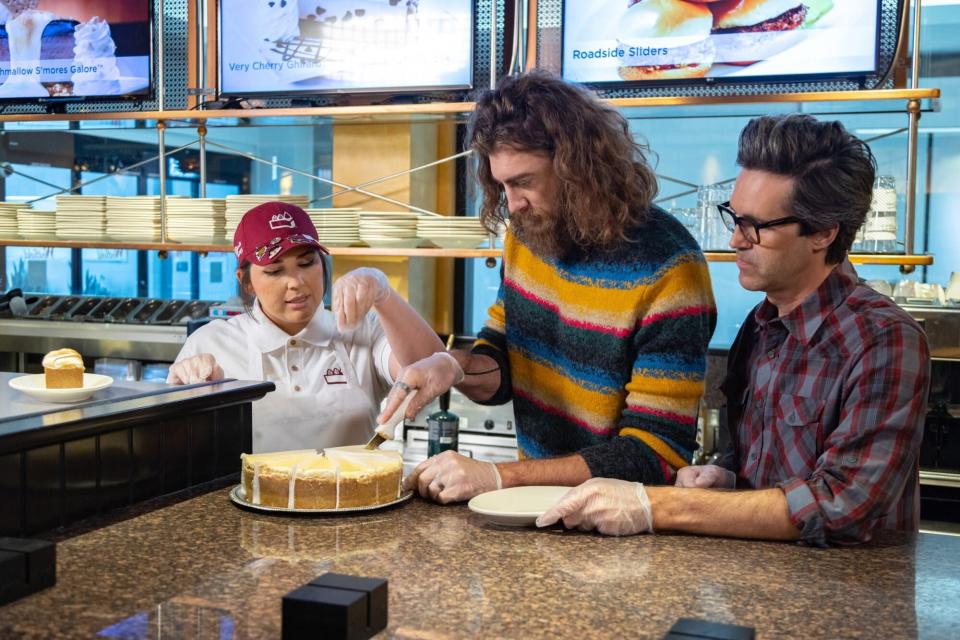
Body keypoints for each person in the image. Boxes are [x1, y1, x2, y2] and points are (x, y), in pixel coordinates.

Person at [537, 114, 931, 546]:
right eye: (734, 217)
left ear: (822, 233)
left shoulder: (885, 340)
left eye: (756, 227)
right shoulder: (761, 325)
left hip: (849, 601)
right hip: (760, 584)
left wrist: (656, 505)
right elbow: (756, 468)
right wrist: (724, 479)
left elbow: (841, 505)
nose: (736, 241)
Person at [385, 70, 717, 502]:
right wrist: (454, 367)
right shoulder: (527, 236)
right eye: (502, 185)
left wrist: (501, 477)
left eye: (523, 181)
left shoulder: (670, 269)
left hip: (622, 524)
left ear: (579, 166)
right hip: (535, 508)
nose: (513, 204)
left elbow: (653, 455)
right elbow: (502, 358)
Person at [167, 201, 445, 452]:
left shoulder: (360, 330)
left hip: (353, 502)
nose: (296, 282)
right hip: (248, 504)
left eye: (307, 262)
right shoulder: (211, 343)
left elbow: (432, 369)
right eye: (275, 271)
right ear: (246, 282)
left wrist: (383, 292)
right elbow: (175, 450)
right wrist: (184, 397)